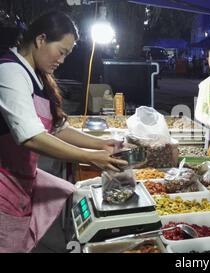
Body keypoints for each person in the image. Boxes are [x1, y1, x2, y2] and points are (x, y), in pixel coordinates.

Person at [0, 11, 127, 252]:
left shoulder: (36, 75)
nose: (62, 60)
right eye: (62, 51)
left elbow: (56, 128)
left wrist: (101, 144)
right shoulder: (10, 72)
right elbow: (31, 136)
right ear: (41, 40)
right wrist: (90, 157)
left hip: (22, 180)